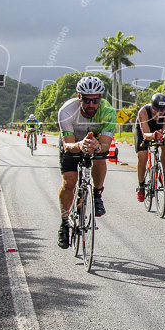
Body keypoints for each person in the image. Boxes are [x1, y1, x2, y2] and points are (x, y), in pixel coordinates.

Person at [57, 76, 117, 248]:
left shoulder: (108, 112)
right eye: (87, 100)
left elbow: (106, 145)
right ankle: (64, 222)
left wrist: (97, 147)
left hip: (94, 142)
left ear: (101, 98)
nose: (91, 105)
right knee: (69, 183)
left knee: (99, 158)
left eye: (95, 100)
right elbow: (67, 145)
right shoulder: (66, 111)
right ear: (79, 97)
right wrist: (80, 144)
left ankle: (97, 195)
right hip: (73, 144)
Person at [135, 92, 165, 202]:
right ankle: (141, 185)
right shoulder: (143, 112)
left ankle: (161, 174)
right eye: (156, 110)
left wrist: (163, 135)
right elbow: (145, 134)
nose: (159, 113)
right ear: (152, 107)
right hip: (145, 129)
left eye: (162, 110)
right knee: (142, 156)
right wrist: (153, 136)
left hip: (159, 128)